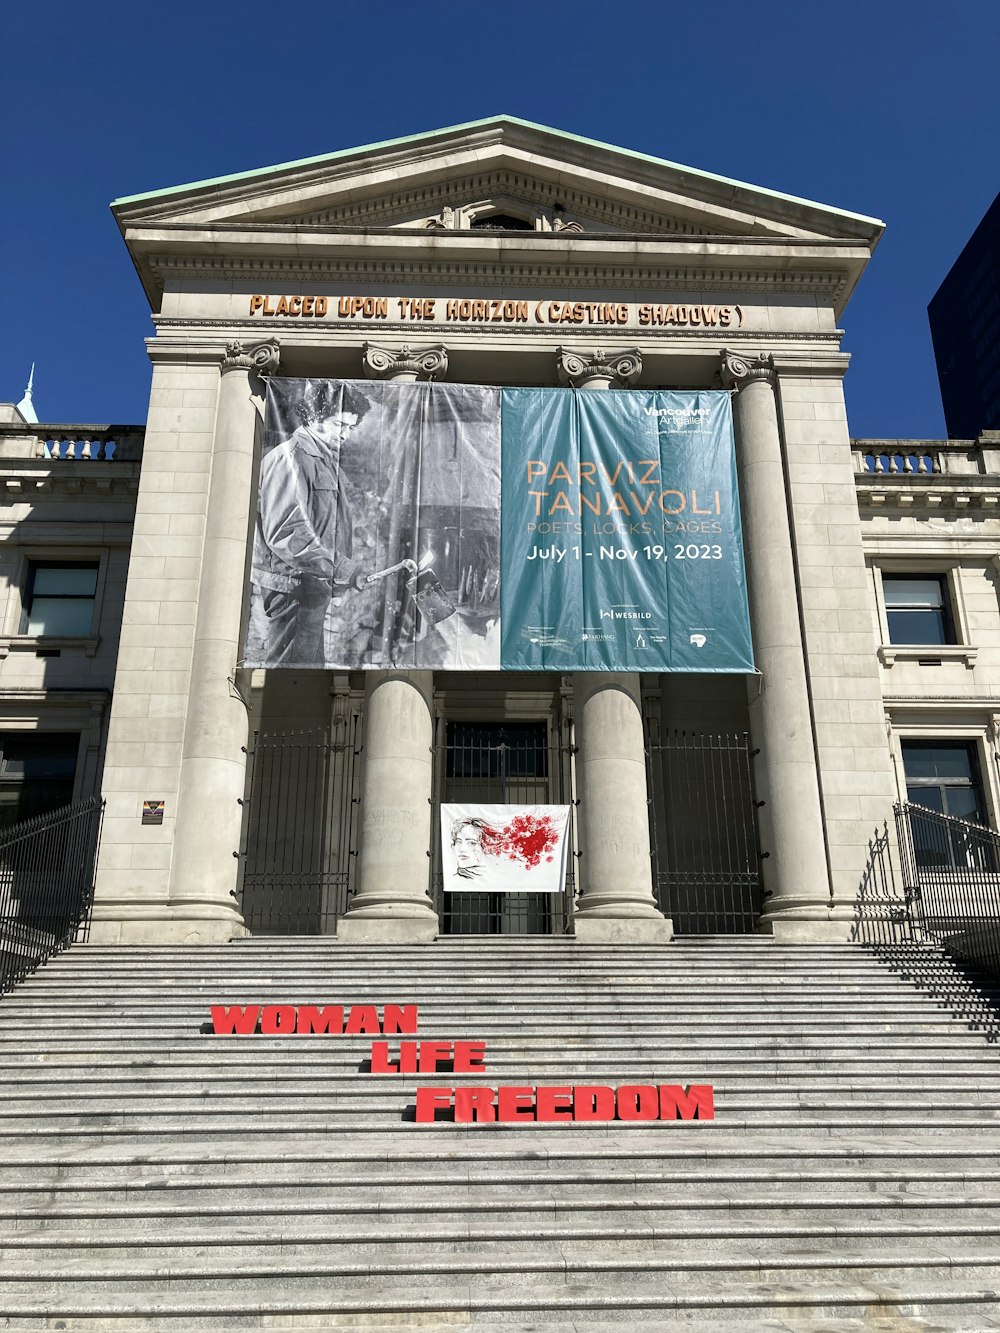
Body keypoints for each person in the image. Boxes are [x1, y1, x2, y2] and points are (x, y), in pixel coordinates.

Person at [250, 383, 373, 665]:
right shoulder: (290, 459)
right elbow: (287, 531)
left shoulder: (324, 460)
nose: (346, 434)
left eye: (351, 427)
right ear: (314, 417)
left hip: (311, 585)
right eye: (339, 424)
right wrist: (342, 567)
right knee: (291, 677)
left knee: (307, 677)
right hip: (293, 588)